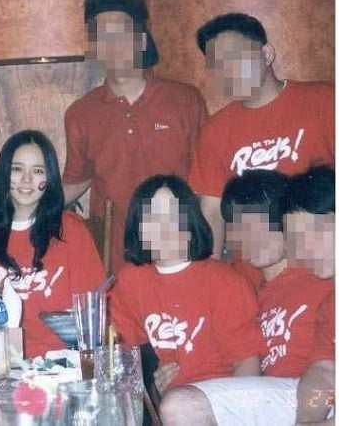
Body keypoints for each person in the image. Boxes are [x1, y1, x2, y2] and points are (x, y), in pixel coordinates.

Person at [109, 175, 300, 425]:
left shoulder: (223, 280)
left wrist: (232, 409)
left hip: (221, 399)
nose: (162, 227)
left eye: (172, 216)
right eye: (152, 217)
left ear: (190, 223)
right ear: (138, 228)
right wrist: (153, 382)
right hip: (173, 404)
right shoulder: (131, 281)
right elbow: (122, 354)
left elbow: (246, 362)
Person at [63, 0, 208, 275]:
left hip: (181, 257)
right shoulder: (81, 113)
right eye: (102, 36)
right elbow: (77, 180)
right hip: (116, 265)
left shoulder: (185, 100)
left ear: (141, 40)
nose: (112, 44)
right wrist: (21, 208)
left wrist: (208, 252)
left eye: (120, 33)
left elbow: (208, 181)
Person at [189, 13, 335, 258]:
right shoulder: (214, 132)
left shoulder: (324, 101)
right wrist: (209, 273)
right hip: (251, 267)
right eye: (217, 65)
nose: (227, 71)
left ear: (266, 54)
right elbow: (212, 213)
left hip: (319, 261)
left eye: (235, 57)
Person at [0, 130, 105, 358]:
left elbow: (93, 313)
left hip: (64, 364)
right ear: (4, 174)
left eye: (37, 171)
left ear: (49, 178)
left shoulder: (73, 231)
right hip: (0, 364)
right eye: (17, 169)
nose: (26, 179)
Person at [221, 170, 333, 381]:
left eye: (261, 223)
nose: (251, 236)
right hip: (266, 395)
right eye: (239, 225)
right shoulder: (245, 297)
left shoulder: (323, 275)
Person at [279, 166, 335, 424]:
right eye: (296, 239)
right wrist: (307, 420)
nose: (304, 249)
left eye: (313, 232)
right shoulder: (331, 306)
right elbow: (325, 373)